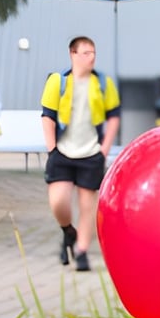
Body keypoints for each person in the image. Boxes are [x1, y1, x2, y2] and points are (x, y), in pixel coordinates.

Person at [40, 36, 121, 272]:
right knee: (58, 202)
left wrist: (104, 149)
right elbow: (47, 116)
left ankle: (82, 251)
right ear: (72, 54)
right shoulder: (58, 81)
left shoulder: (103, 83)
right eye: (85, 53)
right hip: (63, 152)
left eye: (93, 52)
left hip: (91, 153)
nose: (91, 57)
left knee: (88, 207)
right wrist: (51, 148)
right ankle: (68, 231)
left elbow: (113, 115)